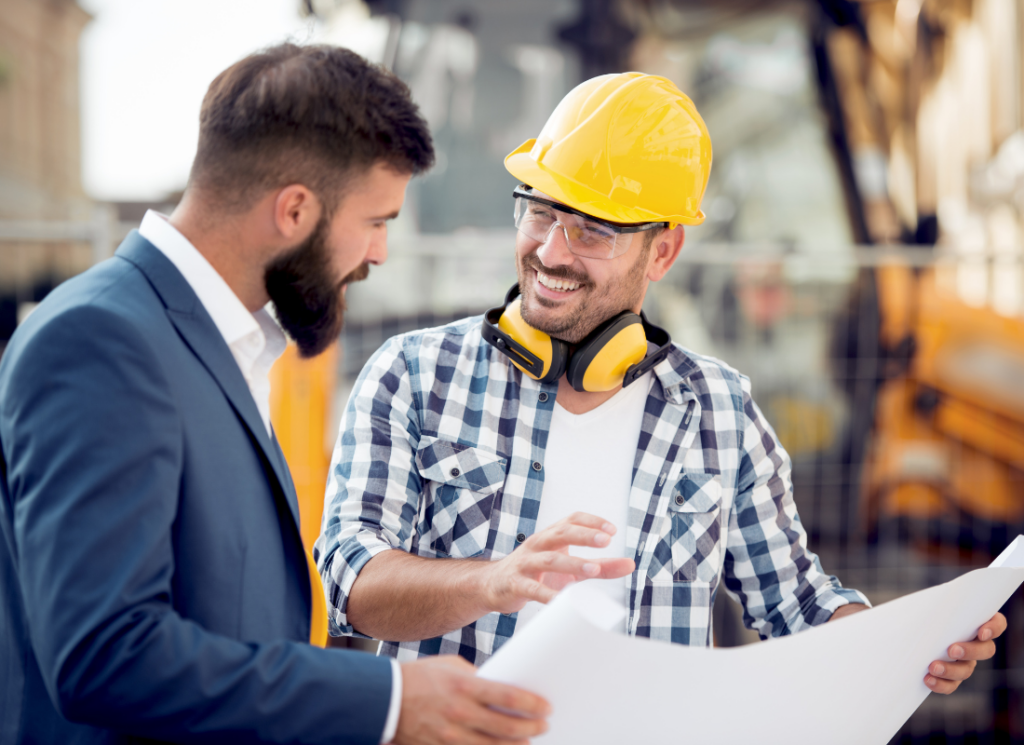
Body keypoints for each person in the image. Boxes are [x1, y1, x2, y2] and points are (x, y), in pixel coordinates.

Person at [316, 72, 1006, 694]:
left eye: (594, 231)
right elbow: (352, 581)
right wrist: (492, 582)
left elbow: (794, 602)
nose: (552, 251)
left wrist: (907, 644)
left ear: (664, 251)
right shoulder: (412, 375)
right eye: (542, 212)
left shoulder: (718, 411)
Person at [0, 44, 549, 745]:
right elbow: (105, 652)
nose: (378, 253)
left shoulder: (216, 344)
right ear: (294, 210)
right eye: (376, 220)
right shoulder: (99, 340)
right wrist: (384, 699)